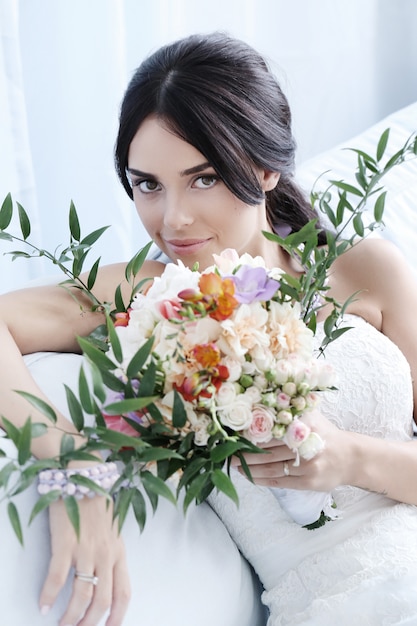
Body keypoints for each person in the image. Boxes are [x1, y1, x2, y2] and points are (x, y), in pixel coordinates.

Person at [1, 31, 417, 626]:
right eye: (147, 185)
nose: (172, 219)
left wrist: (352, 459)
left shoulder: (366, 269)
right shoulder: (149, 297)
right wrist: (73, 461)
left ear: (266, 166)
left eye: (202, 178)